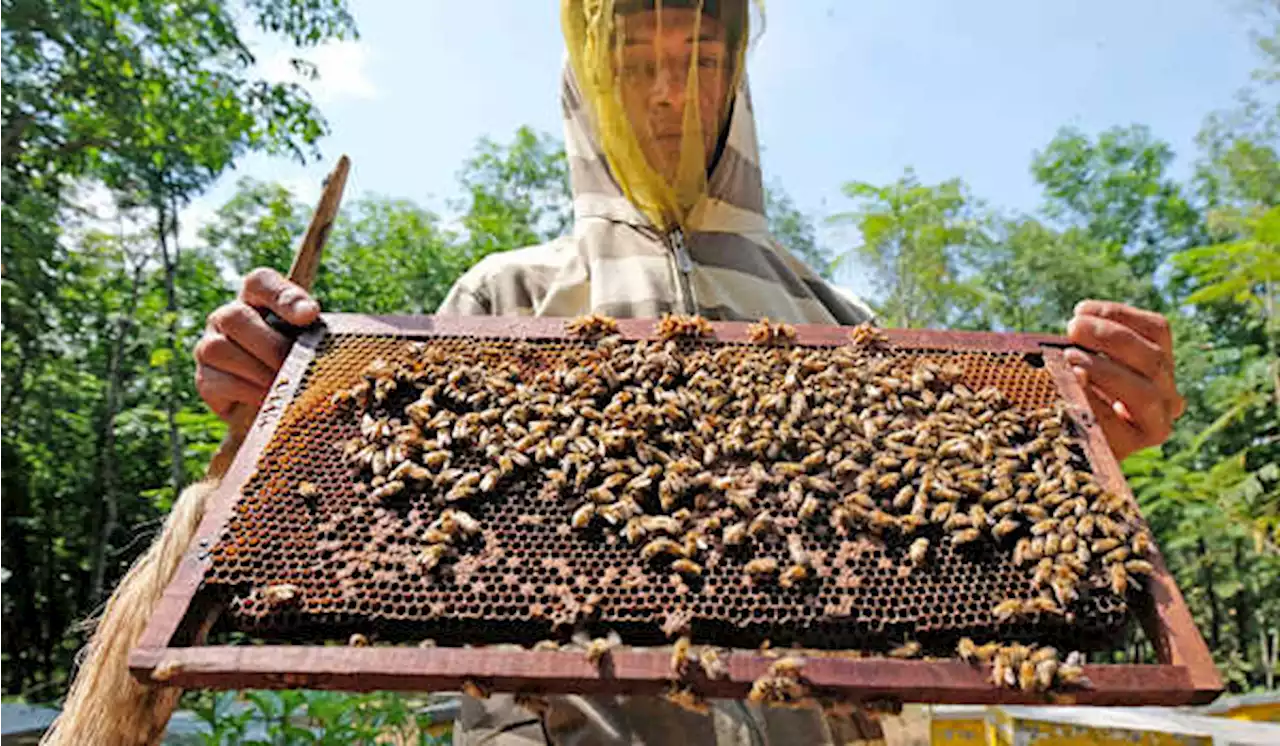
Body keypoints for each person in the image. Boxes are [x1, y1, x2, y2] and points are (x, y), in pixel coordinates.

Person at [193, 1, 1186, 743]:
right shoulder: (499, 303)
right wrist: (268, 423)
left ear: (737, 77)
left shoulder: (837, 322)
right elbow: (362, 540)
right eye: (634, 60)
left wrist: (1083, 444)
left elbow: (968, 574)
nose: (669, 92)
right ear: (586, 81)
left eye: (699, 57)